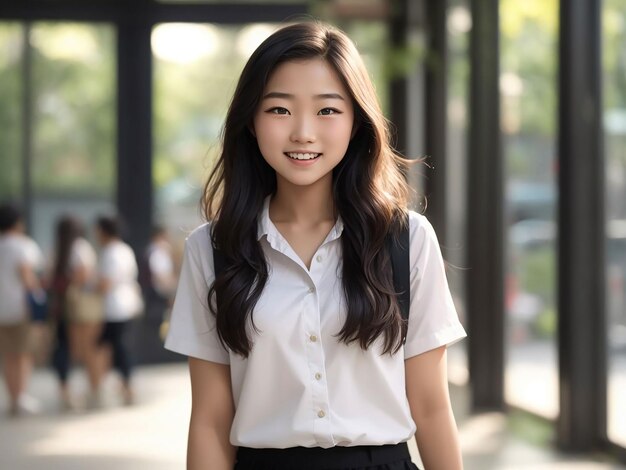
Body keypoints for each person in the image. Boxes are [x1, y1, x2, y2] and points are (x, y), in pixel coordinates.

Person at [164, 21, 467, 470]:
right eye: (279, 110)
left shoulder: (406, 239)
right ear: (251, 120)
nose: (303, 132)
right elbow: (210, 419)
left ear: (356, 122)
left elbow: (431, 407)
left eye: (327, 110)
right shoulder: (211, 249)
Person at [48, 215, 100, 409]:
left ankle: (64, 389)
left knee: (62, 347)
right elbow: (84, 274)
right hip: (79, 309)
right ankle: (93, 388)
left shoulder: (58, 248)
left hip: (61, 307)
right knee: (87, 349)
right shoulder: (80, 248)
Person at [94, 215, 143, 406]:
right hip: (125, 305)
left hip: (115, 308)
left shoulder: (111, 252)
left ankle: (121, 385)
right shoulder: (124, 250)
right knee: (115, 347)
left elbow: (105, 283)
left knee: (114, 348)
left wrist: (92, 287)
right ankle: (119, 384)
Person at [0, 203, 44, 416]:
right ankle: (21, 396)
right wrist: (38, 305)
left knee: (8, 355)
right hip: (20, 308)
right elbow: (28, 277)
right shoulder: (22, 246)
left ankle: (12, 397)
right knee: (23, 353)